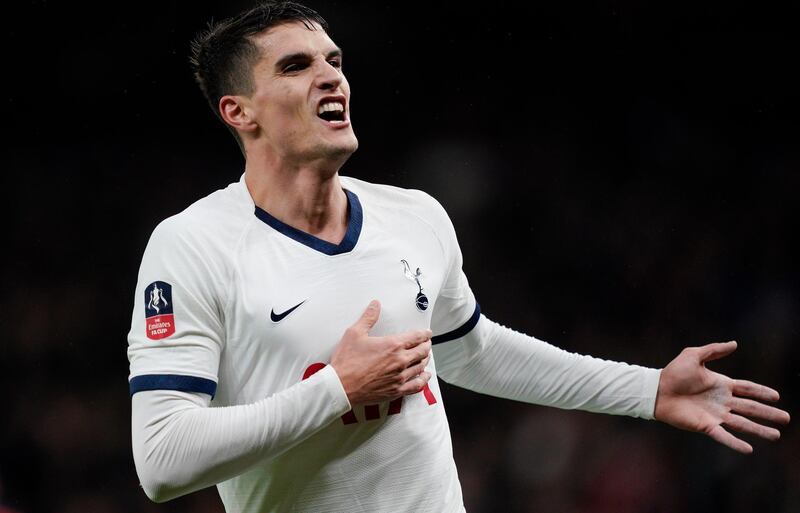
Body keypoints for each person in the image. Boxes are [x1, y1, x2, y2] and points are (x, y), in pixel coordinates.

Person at [126, 2, 790, 512]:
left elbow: (468, 349)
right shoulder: (192, 245)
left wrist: (645, 388)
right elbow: (161, 461)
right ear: (239, 111)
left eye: (334, 59)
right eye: (296, 66)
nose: (331, 76)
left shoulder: (414, 216)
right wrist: (335, 389)